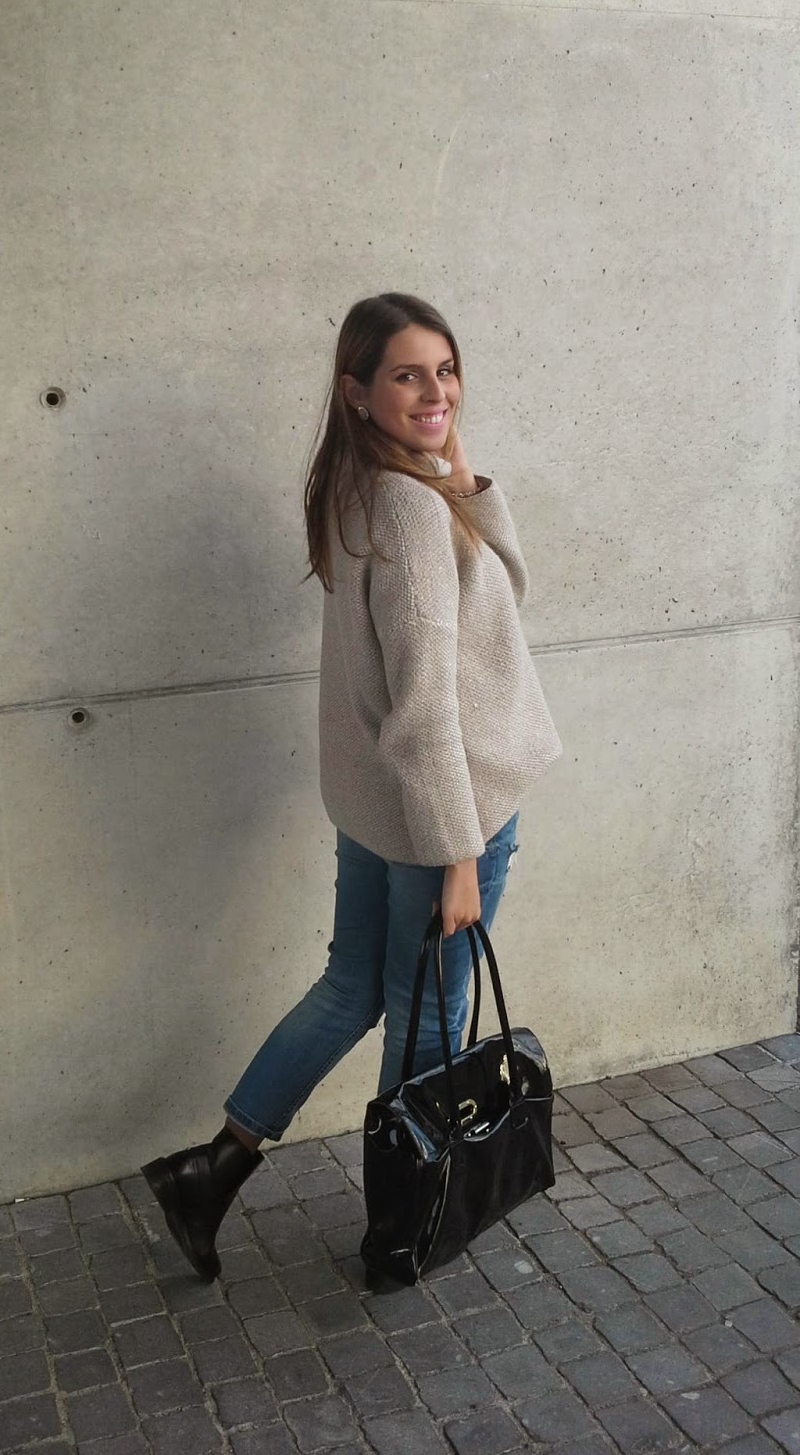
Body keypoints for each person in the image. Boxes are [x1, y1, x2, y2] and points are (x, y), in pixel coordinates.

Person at [142, 292, 562, 1279]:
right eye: (407, 374)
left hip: (379, 807)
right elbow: (425, 709)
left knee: (349, 990)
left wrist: (459, 472)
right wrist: (459, 854)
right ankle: (399, 1232)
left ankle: (210, 1171)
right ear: (357, 390)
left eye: (446, 370)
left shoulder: (365, 485)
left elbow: (502, 586)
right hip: (441, 814)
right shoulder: (410, 509)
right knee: (425, 1021)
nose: (435, 391)